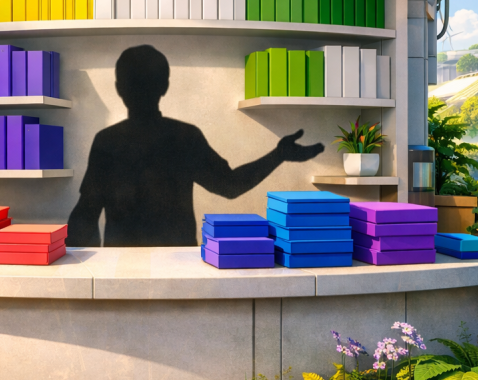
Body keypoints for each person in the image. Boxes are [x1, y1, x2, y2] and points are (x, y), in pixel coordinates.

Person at [68, 45, 324, 247]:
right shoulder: (184, 137)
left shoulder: (107, 141)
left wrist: (80, 270)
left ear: (119, 88)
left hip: (120, 271)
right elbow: (230, 185)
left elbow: (85, 214)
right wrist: (277, 155)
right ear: (164, 86)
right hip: (179, 268)